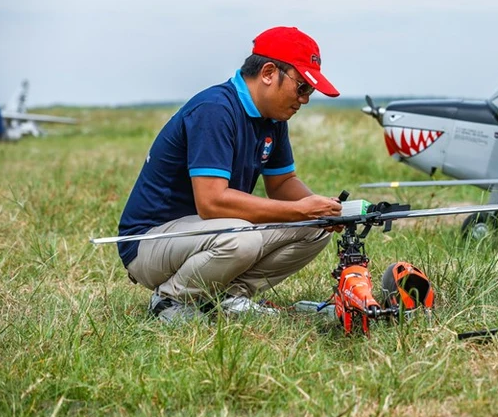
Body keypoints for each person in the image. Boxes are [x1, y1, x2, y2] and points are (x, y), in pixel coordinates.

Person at [117, 26, 344, 323]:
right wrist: (297, 209)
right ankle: (171, 300)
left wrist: (324, 210)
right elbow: (211, 203)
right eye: (302, 87)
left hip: (207, 233)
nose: (305, 99)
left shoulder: (273, 119)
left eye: (310, 91)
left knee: (316, 228)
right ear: (268, 72)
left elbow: (283, 183)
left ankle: (228, 298)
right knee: (241, 238)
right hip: (150, 242)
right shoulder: (215, 110)